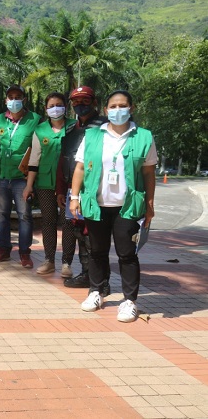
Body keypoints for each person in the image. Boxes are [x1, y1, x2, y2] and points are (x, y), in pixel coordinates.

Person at [70, 90, 157, 323]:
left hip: (127, 206)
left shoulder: (144, 137)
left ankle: (129, 301)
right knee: (96, 251)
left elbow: (149, 173)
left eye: (123, 106)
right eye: (114, 106)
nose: (118, 110)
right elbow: (80, 168)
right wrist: (74, 196)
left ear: (132, 108)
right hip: (97, 204)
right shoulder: (92, 135)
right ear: (106, 110)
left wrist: (149, 204)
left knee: (127, 254)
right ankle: (95, 292)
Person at [55, 86, 109, 290]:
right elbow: (63, 160)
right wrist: (61, 189)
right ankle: (88, 274)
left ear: (94, 102)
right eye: (76, 102)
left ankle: (101, 281)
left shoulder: (105, 127)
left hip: (96, 190)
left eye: (85, 100)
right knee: (80, 233)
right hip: (73, 190)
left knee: (95, 236)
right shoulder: (70, 130)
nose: (80, 105)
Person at [23, 92, 76, 275]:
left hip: (70, 183)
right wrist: (29, 186)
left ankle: (67, 263)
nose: (55, 108)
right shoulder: (40, 130)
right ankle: (49, 260)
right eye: (51, 105)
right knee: (48, 221)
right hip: (45, 183)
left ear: (65, 107)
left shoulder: (74, 127)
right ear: (46, 109)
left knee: (69, 221)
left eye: (59, 104)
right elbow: (34, 160)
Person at [0, 85, 41, 268]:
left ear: (24, 99)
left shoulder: (34, 119)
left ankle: (25, 253)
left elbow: (38, 149)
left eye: (17, 96)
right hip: (1, 176)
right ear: (6, 100)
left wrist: (31, 181)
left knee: (24, 215)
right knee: (2, 214)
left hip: (22, 178)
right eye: (10, 97)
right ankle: (4, 249)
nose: (14, 100)